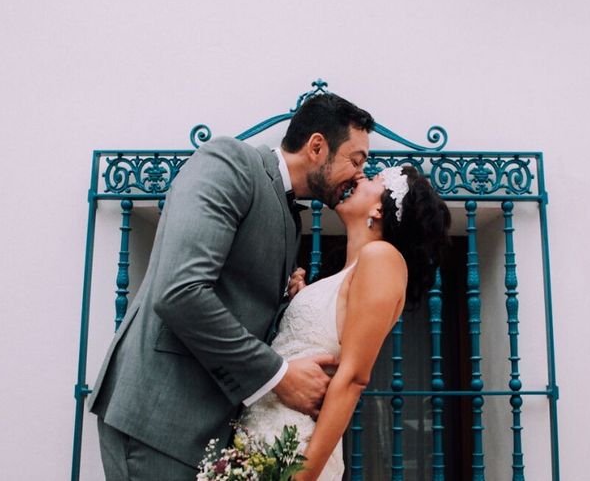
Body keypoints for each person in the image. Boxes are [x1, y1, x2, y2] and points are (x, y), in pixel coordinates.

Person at [88, 93, 375, 480]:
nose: (359, 175)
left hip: (209, 430)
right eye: (355, 161)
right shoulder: (229, 162)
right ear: (317, 147)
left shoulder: (293, 220)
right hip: (159, 420)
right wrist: (280, 375)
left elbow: (237, 304)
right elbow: (181, 291)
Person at [239, 165, 451, 480]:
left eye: (374, 179)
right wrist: (297, 298)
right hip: (258, 432)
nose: (360, 178)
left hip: (296, 448)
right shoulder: (345, 273)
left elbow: (352, 378)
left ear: (379, 208)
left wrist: (305, 475)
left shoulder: (382, 258)